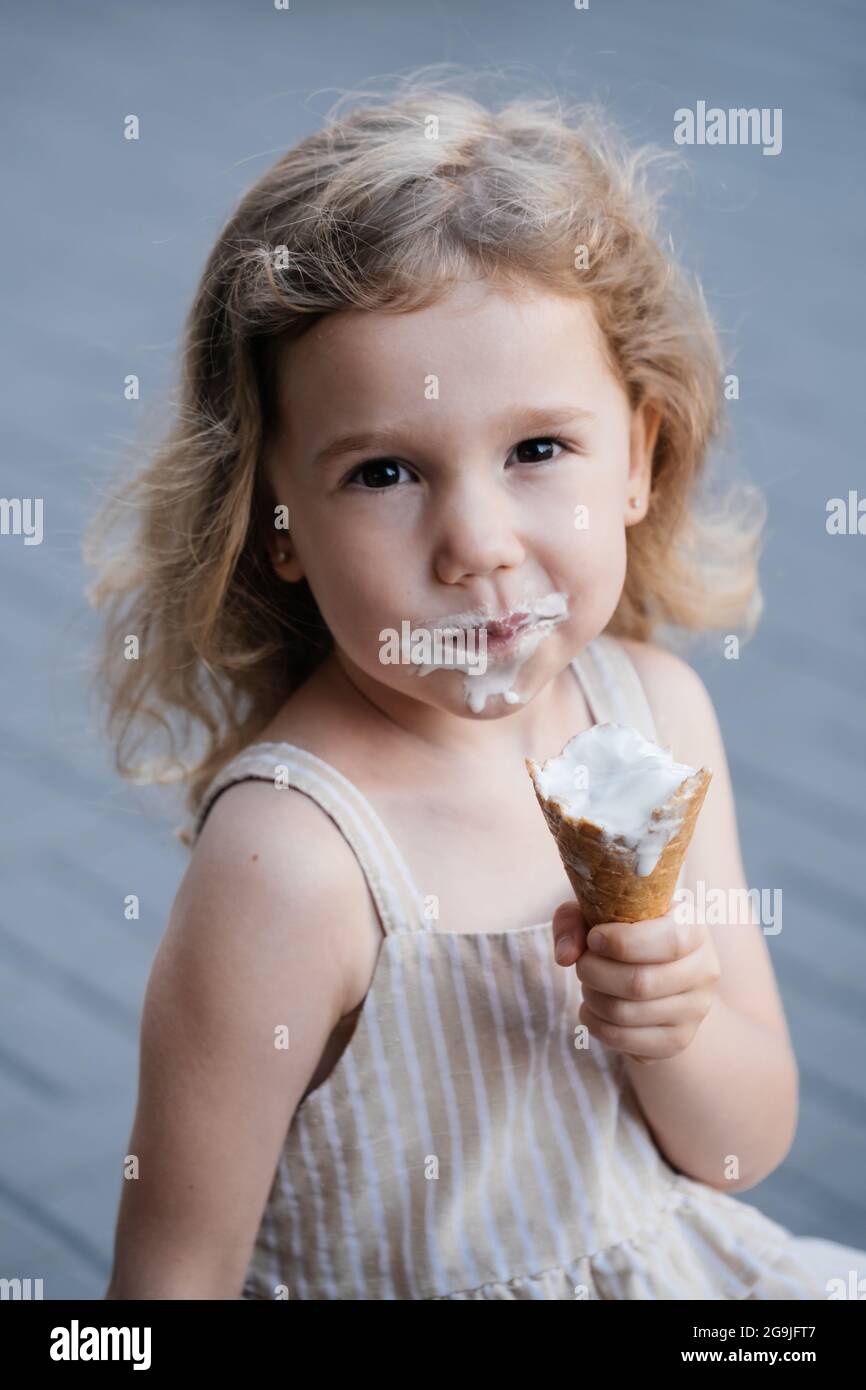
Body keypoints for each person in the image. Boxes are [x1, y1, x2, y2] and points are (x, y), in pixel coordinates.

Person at [88, 71, 866, 1299]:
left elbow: (735, 1147)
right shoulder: (292, 862)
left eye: (537, 449)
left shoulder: (653, 715)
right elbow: (171, 1272)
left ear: (636, 458)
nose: (477, 543)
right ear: (278, 520)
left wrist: (674, 1027)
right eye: (386, 472)